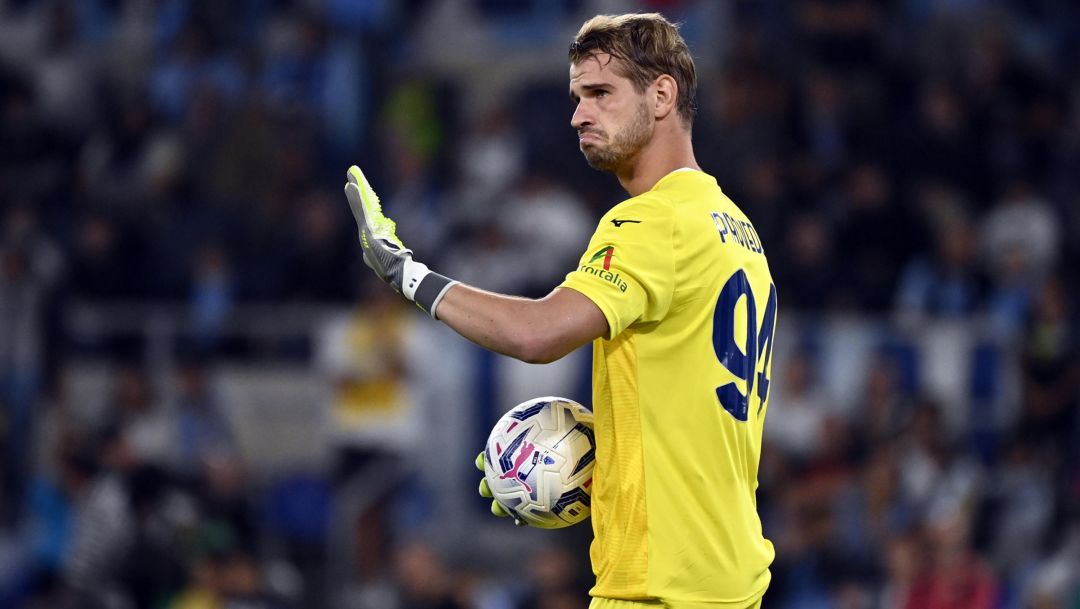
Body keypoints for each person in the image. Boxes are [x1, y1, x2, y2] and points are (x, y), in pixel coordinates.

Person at [344, 13, 776, 609]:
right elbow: (695, 412)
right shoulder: (735, 228)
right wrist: (594, 461)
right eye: (577, 98)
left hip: (658, 588)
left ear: (661, 94)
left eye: (600, 93)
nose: (578, 115)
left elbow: (537, 334)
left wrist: (406, 273)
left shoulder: (652, 221)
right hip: (728, 579)